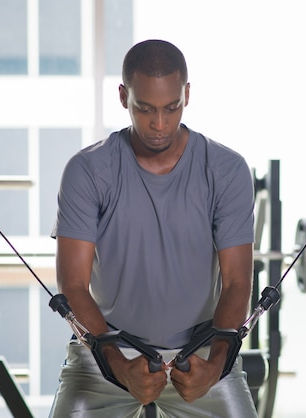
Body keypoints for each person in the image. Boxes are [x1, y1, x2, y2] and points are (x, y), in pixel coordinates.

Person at [49, 39, 258, 418]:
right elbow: (74, 285)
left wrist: (218, 363)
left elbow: (238, 282)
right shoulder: (87, 171)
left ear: (187, 95)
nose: (159, 124)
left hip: (203, 352)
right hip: (106, 348)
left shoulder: (227, 170)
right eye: (144, 109)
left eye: (171, 108)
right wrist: (113, 361)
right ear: (123, 96)